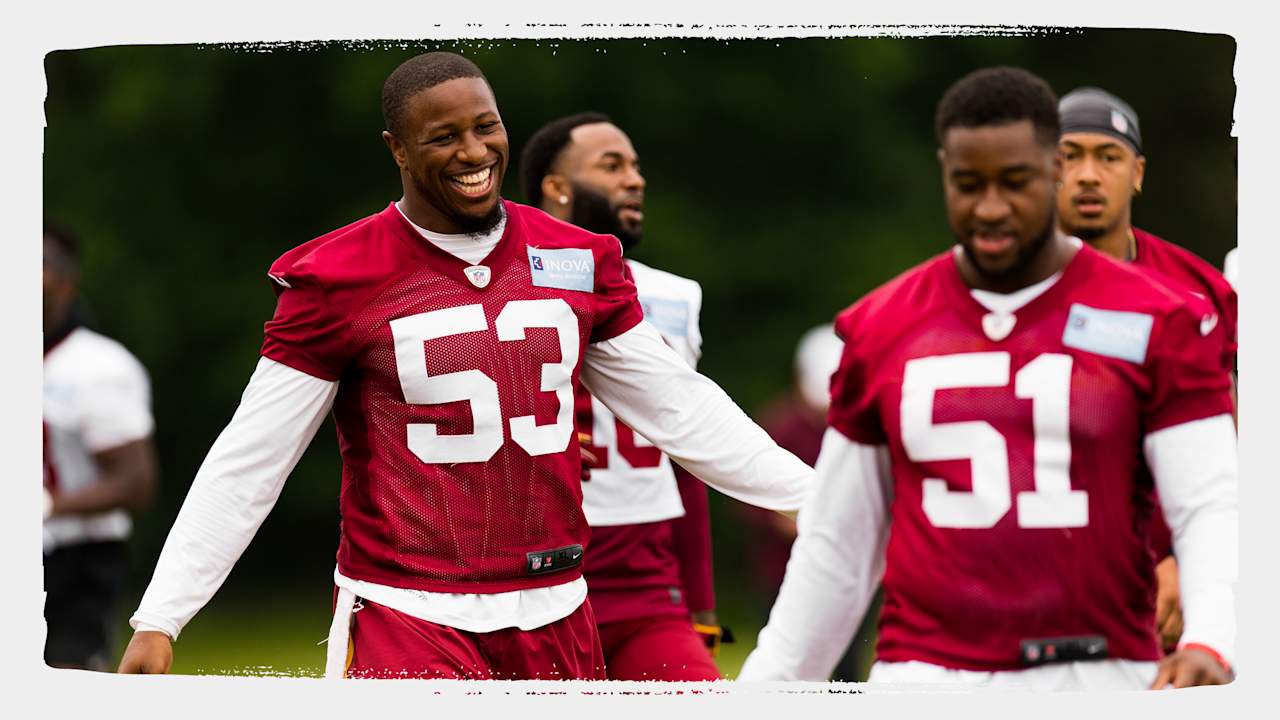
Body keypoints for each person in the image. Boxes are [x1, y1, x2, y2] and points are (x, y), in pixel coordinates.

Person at [116, 52, 810, 680]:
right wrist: (162, 614)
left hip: (556, 606)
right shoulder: (339, 277)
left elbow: (681, 408)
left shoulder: (578, 260)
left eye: (486, 127)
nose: (474, 151)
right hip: (409, 610)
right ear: (397, 149)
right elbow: (253, 456)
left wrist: (819, 502)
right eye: (444, 137)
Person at [739, 66, 1237, 691]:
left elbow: (1209, 502)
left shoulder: (1161, 316)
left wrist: (1211, 637)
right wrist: (771, 686)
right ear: (944, 172)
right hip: (926, 674)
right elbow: (839, 543)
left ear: (1054, 172)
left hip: (1097, 670)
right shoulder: (882, 325)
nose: (991, 207)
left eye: (1016, 182)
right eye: (968, 184)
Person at [520, 111, 721, 681]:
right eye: (612, 166)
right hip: (531, 587)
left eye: (635, 166)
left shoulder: (675, 298)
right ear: (555, 188)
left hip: (647, 589)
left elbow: (688, 453)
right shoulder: (502, 293)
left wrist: (700, 600)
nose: (635, 179)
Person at [1055, 86, 1239, 655]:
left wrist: (1192, 561)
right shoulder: (995, 292)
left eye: (1107, 157)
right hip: (1038, 574)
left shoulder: (1200, 292)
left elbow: (1232, 440)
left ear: (1136, 173)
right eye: (1068, 157)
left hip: (1169, 584)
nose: (1088, 175)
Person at [43, 222, 159, 670]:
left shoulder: (97, 367)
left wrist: (46, 504)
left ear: (68, 280)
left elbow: (135, 482)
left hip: (74, 563)